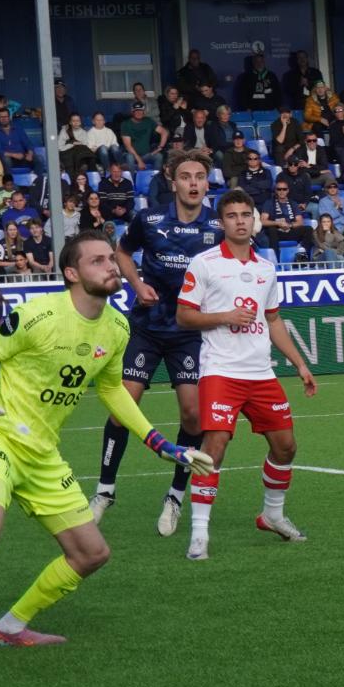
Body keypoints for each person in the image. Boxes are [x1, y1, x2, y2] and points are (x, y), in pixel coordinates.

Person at [0, 234, 215, 674]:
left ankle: (9, 626)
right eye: (97, 261)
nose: (111, 266)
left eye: (111, 259)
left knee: (91, 553)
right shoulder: (37, 314)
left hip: (42, 454)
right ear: (72, 273)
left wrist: (158, 442)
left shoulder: (118, 328)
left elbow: (112, 390)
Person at [172, 189, 317, 559]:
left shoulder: (266, 268)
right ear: (221, 222)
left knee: (286, 446)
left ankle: (272, 515)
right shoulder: (204, 263)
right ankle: (199, 534)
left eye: (245, 214)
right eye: (232, 215)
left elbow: (273, 320)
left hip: (261, 373)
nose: (239, 221)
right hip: (220, 371)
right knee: (214, 447)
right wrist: (225, 316)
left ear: (254, 220)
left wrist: (299, 364)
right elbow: (184, 316)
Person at [94, 149, 225, 529]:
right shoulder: (149, 219)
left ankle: (175, 496)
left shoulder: (218, 227)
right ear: (173, 181)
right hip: (148, 327)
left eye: (199, 177)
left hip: (190, 333)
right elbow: (122, 252)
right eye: (186, 176)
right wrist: (136, 284)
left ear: (206, 183)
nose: (193, 183)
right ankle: (104, 491)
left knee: (193, 415)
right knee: (123, 407)